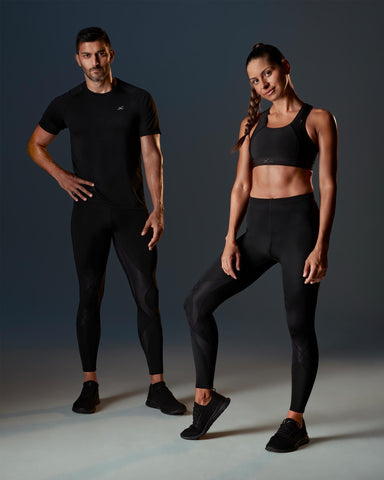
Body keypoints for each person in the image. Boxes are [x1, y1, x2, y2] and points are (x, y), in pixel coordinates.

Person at [180, 43, 337, 452]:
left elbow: (327, 185)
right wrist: (231, 238)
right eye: (254, 80)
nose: (262, 83)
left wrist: (321, 246)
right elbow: (241, 186)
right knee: (196, 303)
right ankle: (205, 398)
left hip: (297, 232)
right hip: (257, 232)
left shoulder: (318, 119)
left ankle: (295, 420)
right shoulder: (250, 125)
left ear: (285, 66)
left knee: (299, 327)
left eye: (266, 73)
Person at [27, 26, 186, 416]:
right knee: (88, 297)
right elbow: (35, 144)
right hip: (88, 214)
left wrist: (158, 207)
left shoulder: (137, 99)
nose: (94, 62)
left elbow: (153, 156)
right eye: (87, 55)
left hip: (131, 212)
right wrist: (62, 177)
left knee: (147, 296)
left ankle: (157, 387)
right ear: (77, 59)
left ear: (111, 54)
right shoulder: (67, 104)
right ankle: (89, 384)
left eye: (100, 54)